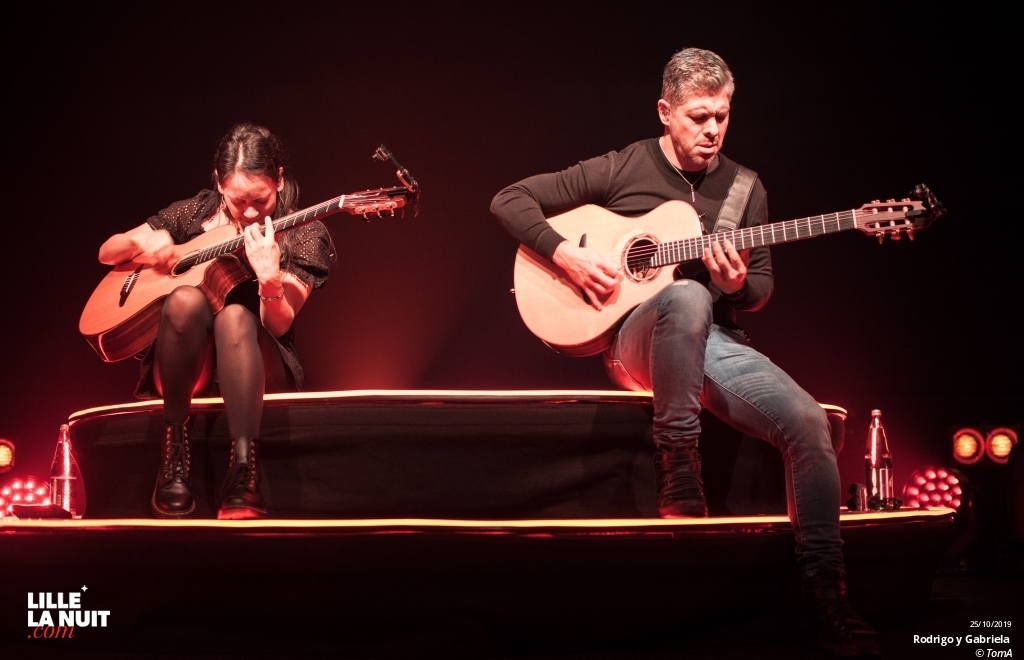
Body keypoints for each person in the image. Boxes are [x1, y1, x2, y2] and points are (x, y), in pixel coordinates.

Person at [491, 48, 880, 657]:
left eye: (722, 116)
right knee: (687, 300)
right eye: (698, 117)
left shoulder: (746, 189)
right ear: (665, 112)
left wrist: (737, 287)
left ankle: (826, 593)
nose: (712, 130)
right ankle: (678, 465)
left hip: (714, 341)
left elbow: (762, 287)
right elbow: (509, 199)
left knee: (809, 421)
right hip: (631, 341)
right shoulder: (624, 167)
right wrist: (567, 253)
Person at [98, 123, 332, 521]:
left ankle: (244, 471)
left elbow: (278, 326)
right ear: (220, 185)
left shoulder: (304, 231)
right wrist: (142, 244)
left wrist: (271, 281)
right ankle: (174, 454)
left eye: (261, 199)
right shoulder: (196, 212)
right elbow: (107, 251)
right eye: (239, 201)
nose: (252, 212)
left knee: (236, 316)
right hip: (187, 363)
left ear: (278, 179)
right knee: (186, 299)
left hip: (261, 365)